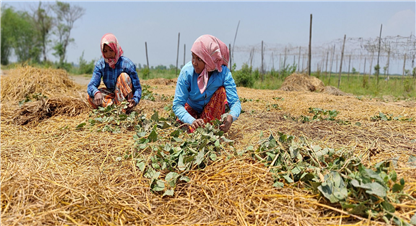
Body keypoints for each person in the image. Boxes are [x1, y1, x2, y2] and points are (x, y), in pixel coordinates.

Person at [172, 34, 241, 133]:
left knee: (221, 91)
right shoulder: (187, 72)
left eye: (199, 59)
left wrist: (231, 118)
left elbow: (235, 102)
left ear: (210, 60)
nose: (194, 62)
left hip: (211, 110)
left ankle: (210, 125)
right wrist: (191, 120)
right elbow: (177, 105)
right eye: (193, 57)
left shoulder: (223, 73)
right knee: (186, 129)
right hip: (191, 109)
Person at [87, 33, 142, 113]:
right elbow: (91, 85)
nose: (108, 54)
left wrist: (135, 99)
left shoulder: (127, 64)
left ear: (116, 48)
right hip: (112, 95)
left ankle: (124, 107)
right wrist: (96, 93)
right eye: (105, 51)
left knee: (124, 77)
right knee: (90, 96)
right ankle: (116, 107)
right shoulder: (101, 65)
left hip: (126, 97)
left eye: (111, 50)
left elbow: (137, 88)